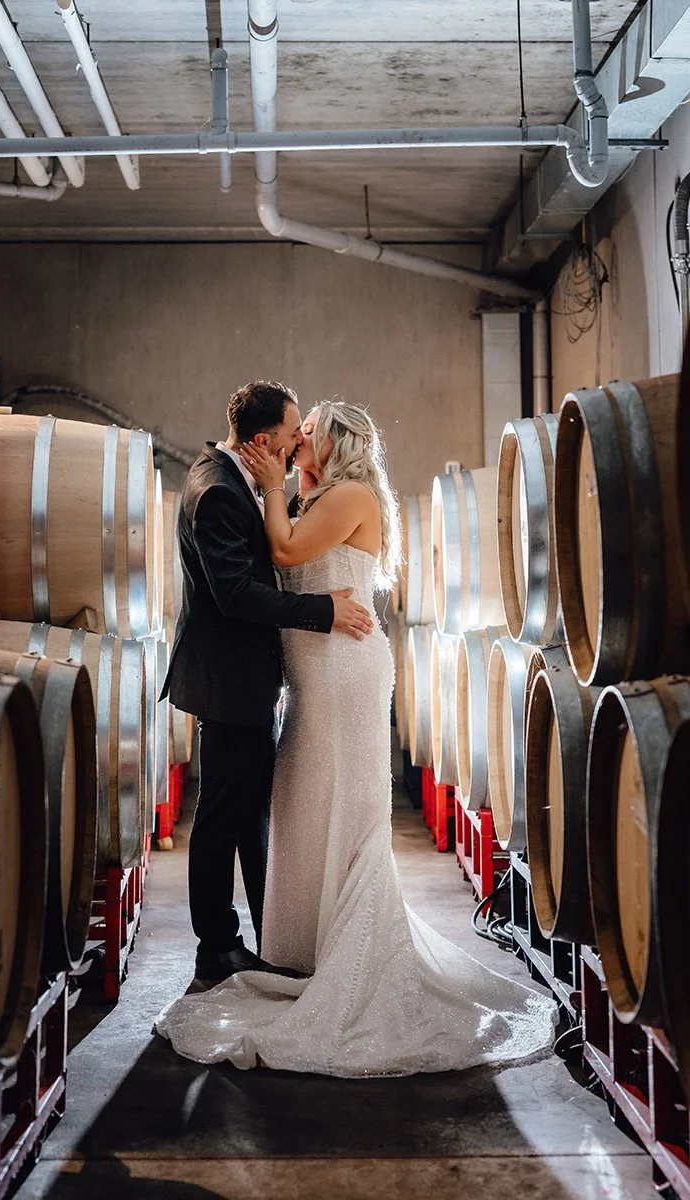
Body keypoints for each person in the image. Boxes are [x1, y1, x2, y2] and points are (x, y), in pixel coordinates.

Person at [155, 400, 557, 1077]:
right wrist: (282, 487)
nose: (296, 439)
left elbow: (283, 552)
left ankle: (337, 951)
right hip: (309, 676)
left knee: (336, 808)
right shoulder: (310, 494)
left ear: (334, 440)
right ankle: (297, 947)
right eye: (292, 431)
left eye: (306, 431)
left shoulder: (349, 495)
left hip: (342, 672)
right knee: (305, 810)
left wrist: (277, 487)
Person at [160, 381, 374, 994]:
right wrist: (322, 612)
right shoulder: (218, 491)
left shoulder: (242, 482)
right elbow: (235, 595)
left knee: (250, 810)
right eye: (290, 433)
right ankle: (217, 949)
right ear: (262, 441)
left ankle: (264, 937)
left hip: (250, 681)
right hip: (230, 683)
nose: (298, 439)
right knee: (224, 815)